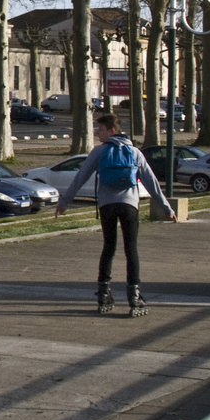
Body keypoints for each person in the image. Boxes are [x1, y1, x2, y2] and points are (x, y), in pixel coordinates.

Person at [54, 113, 175, 317]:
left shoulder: (100, 152)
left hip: (107, 206)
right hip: (129, 206)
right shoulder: (135, 152)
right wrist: (167, 208)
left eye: (100, 129)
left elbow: (81, 176)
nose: (98, 133)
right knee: (131, 250)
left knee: (108, 247)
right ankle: (134, 296)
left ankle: (103, 293)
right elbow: (150, 181)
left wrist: (64, 202)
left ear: (112, 130)